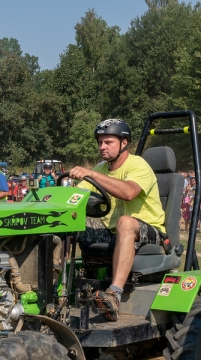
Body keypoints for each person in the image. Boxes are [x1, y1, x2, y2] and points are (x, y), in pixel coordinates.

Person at [70, 119, 165, 322]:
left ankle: (114, 294)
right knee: (67, 223)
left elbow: (129, 192)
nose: (102, 147)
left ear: (124, 143)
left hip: (150, 231)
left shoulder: (139, 165)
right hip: (112, 232)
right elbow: (77, 197)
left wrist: (91, 174)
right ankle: (60, 289)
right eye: (100, 142)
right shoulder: (101, 168)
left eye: (108, 142)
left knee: (125, 221)